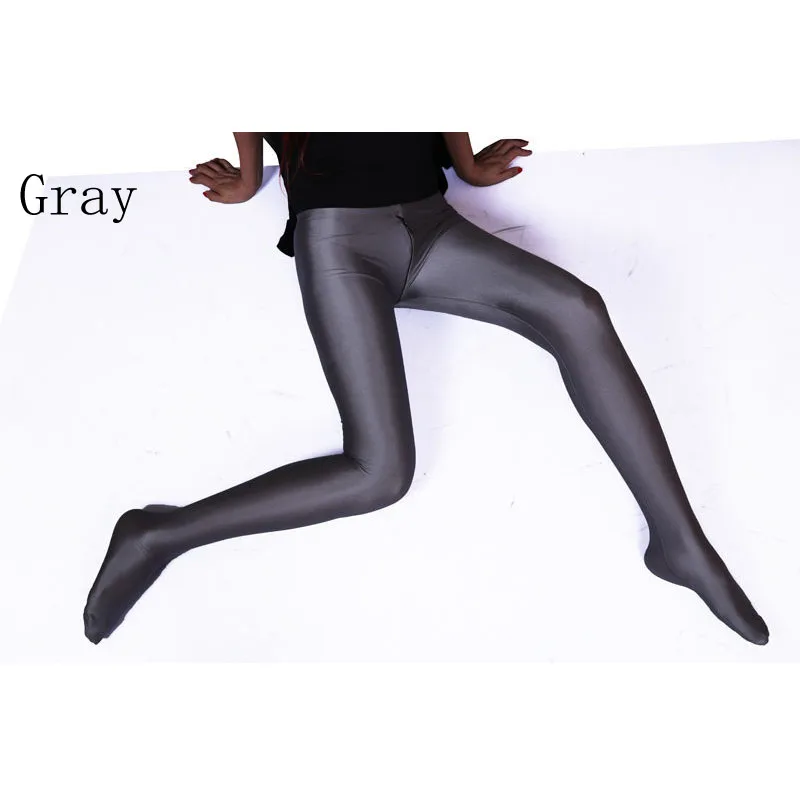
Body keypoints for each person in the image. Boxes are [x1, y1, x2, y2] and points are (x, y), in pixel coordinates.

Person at [83, 132, 769, 647]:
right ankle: (160, 534)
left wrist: (464, 163)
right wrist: (246, 169)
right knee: (380, 474)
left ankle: (679, 543)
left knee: (578, 309)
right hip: (341, 242)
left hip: (432, 221)